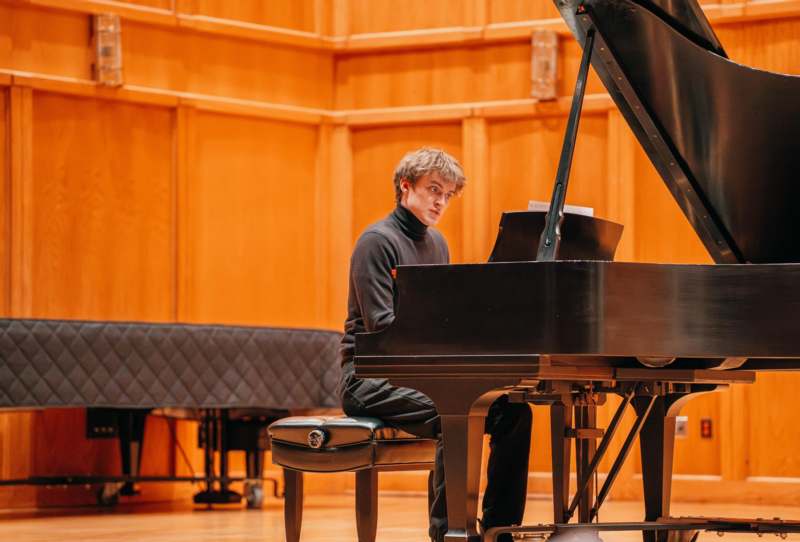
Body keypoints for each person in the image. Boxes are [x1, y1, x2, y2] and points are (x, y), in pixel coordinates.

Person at [338, 147, 532, 542]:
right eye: (433, 190)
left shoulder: (438, 243)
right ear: (405, 188)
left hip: (421, 373)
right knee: (455, 410)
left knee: (514, 411)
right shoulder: (376, 242)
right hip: (368, 378)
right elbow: (384, 328)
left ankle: (501, 529)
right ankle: (450, 533)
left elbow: (440, 320)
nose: (441, 201)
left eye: (447, 194)